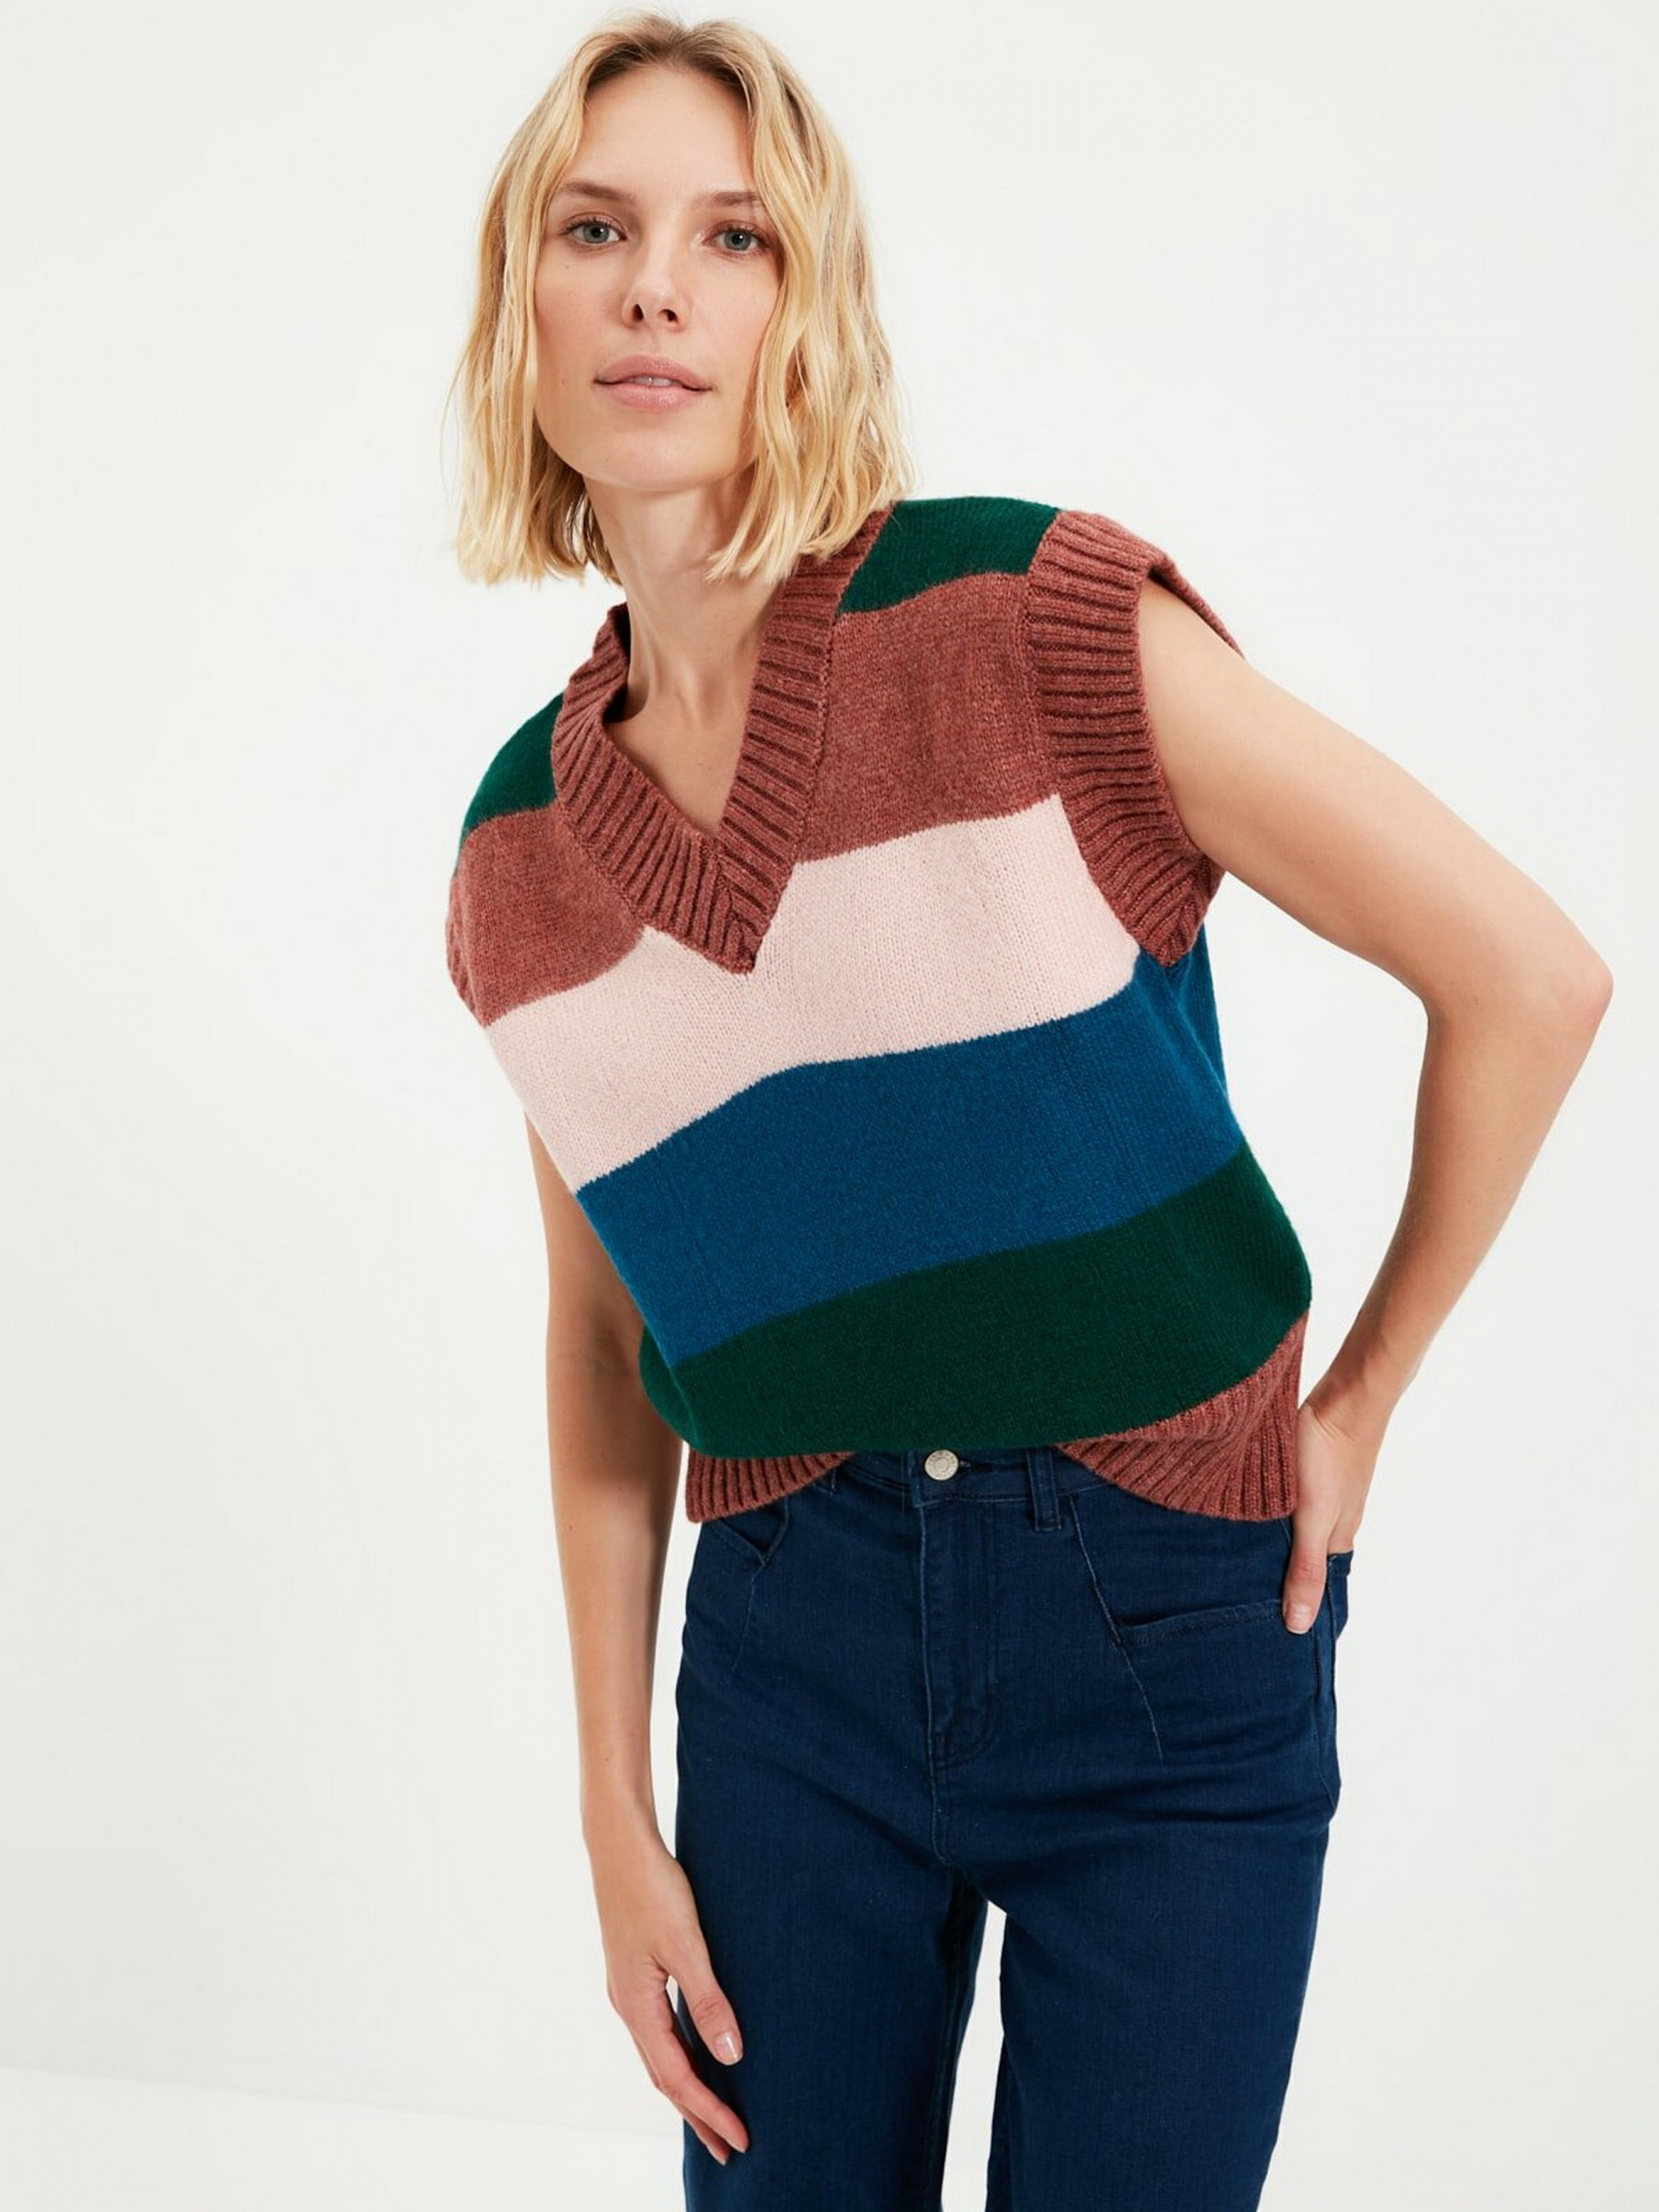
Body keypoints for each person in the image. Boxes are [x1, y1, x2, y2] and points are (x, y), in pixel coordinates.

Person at [441, 14, 1612, 2210]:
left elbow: (1528, 979)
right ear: (522, 305)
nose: (656, 288)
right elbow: (606, 1339)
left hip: (1169, 1611)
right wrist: (612, 1809)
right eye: (593, 230)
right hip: (786, 1657)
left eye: (733, 237)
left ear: (808, 310)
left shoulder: (1024, 621)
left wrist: (1356, 1407)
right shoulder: (519, 860)